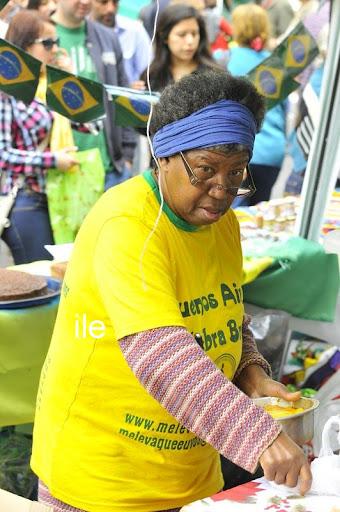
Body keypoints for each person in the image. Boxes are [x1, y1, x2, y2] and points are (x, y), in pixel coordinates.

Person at [31, 68, 312, 512]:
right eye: (205, 170)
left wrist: (250, 371)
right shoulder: (127, 224)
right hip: (103, 481)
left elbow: (223, 314)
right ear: (163, 156)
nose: (223, 190)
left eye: (237, 172)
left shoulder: (224, 226)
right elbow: (160, 352)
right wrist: (259, 435)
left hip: (188, 477)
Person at [0, 10, 79, 263]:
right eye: (47, 43)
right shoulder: (8, 91)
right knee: (42, 281)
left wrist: (69, 79)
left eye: (57, 42)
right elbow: (3, 154)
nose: (54, 49)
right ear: (24, 46)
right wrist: (52, 160)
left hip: (60, 198)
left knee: (65, 279)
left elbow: (91, 127)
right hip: (27, 198)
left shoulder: (52, 86)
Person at [52, 0, 137, 190]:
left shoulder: (107, 37)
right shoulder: (42, 36)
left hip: (110, 169)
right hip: (60, 169)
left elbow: (123, 97)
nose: (85, 2)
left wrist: (127, 156)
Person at [227, 3, 287, 206]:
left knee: (232, 218)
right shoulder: (274, 64)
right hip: (273, 152)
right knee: (258, 217)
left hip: (241, 150)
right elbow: (285, 109)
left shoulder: (226, 60)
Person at [140, 4, 220, 92]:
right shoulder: (151, 76)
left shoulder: (215, 75)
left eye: (194, 34)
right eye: (182, 34)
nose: (190, 41)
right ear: (165, 37)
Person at [90, 0, 151, 90]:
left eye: (115, 2)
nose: (110, 9)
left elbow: (148, 76)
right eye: (103, 2)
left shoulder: (135, 30)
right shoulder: (81, 31)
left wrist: (128, 90)